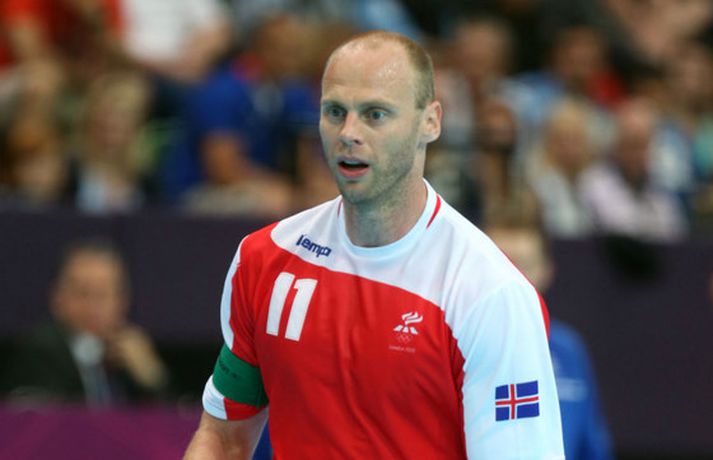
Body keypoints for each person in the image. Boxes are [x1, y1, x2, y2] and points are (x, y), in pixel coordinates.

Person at [184, 31, 564, 459]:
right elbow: (224, 437)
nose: (348, 133)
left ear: (430, 122)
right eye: (334, 112)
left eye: (375, 114)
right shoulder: (265, 259)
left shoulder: (490, 293)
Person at [487, 222, 614, 460]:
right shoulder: (456, 344)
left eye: (523, 265)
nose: (512, 279)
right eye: (502, 263)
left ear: (546, 271)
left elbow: (592, 446)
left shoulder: (568, 350)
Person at [2, 239, 169, 406]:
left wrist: (151, 378)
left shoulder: (127, 357)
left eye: (102, 294)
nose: (92, 306)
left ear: (123, 302)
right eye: (82, 292)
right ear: (57, 298)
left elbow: (168, 417)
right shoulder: (41, 351)